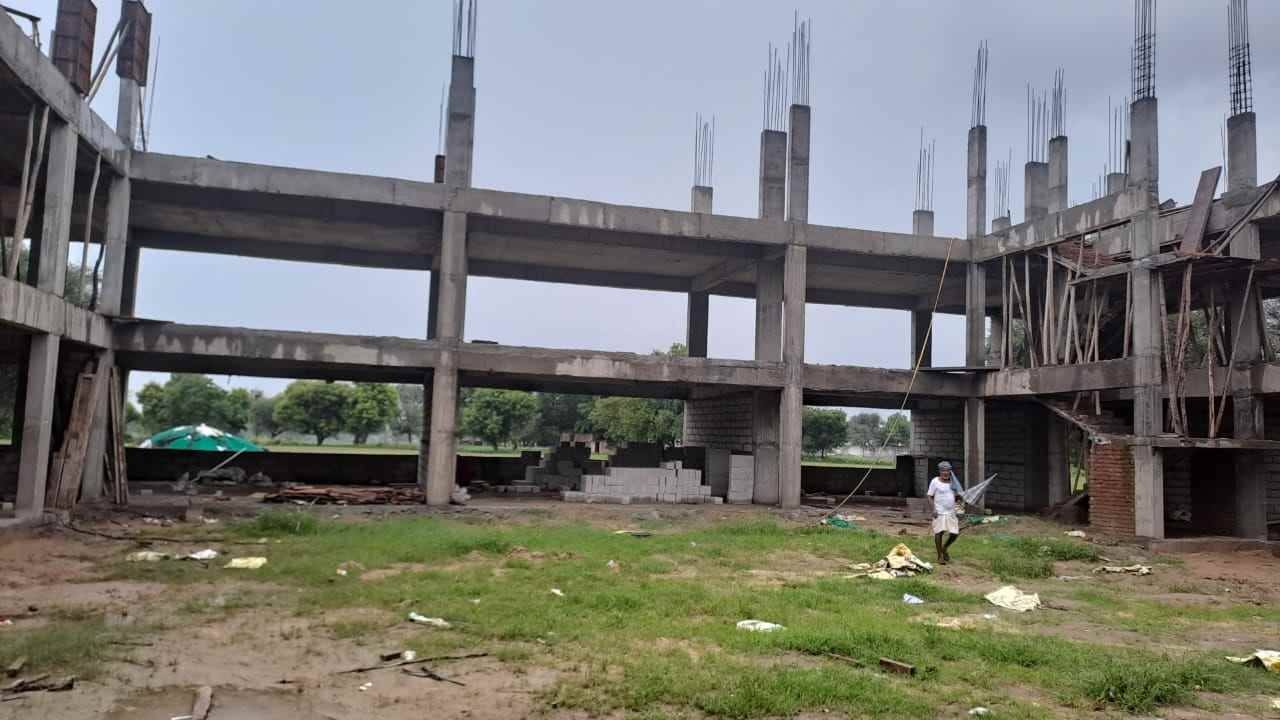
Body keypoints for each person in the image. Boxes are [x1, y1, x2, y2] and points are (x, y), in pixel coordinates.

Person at [927, 461, 963, 564]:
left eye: (947, 470)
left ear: (950, 471)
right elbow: (929, 496)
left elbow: (958, 497)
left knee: (955, 533)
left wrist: (960, 508)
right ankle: (940, 556)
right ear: (940, 471)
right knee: (939, 532)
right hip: (939, 511)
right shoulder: (935, 481)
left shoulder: (953, 482)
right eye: (943, 470)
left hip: (951, 512)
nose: (945, 472)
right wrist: (933, 509)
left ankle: (944, 547)